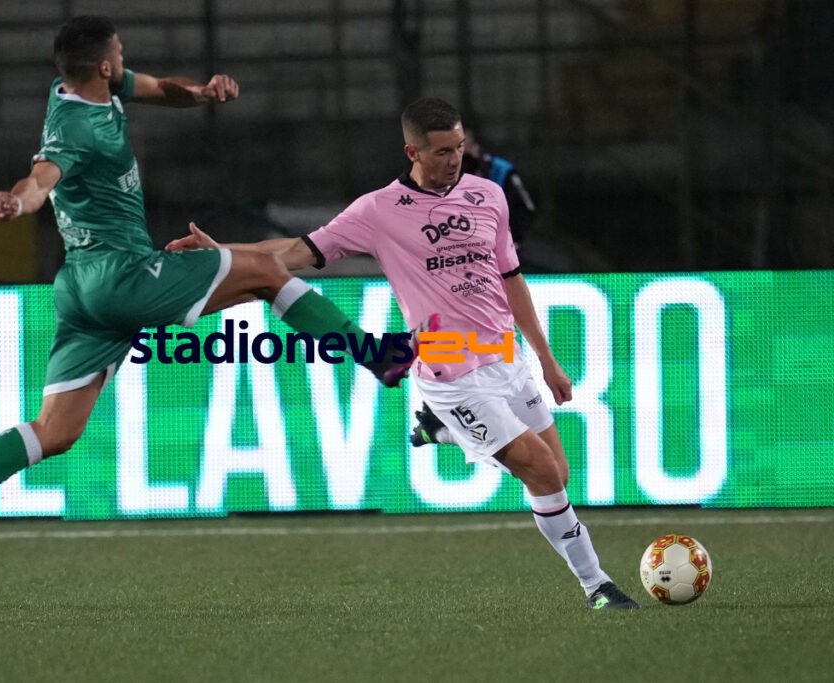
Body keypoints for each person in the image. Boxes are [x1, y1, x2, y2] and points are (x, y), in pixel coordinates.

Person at [0, 15, 412, 577]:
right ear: (104, 65)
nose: (125, 61)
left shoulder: (84, 88)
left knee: (56, 431)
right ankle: (376, 355)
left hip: (80, 288)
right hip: (121, 276)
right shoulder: (76, 127)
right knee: (268, 271)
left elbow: (162, 89)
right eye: (120, 53)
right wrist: (18, 202)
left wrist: (202, 93)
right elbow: (42, 177)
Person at [165, 97, 639, 610]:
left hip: (507, 359)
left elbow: (511, 277)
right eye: (441, 152)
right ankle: (598, 587)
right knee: (542, 472)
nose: (454, 160)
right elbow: (297, 251)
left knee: (557, 475)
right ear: (412, 151)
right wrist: (224, 254)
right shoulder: (378, 211)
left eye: (459, 148)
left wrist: (546, 359)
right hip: (449, 372)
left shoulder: (488, 195)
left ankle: (443, 429)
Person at [460, 126, 537, 248]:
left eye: (462, 146)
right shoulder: (445, 174)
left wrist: (511, 243)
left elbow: (525, 208)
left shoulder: (501, 170)